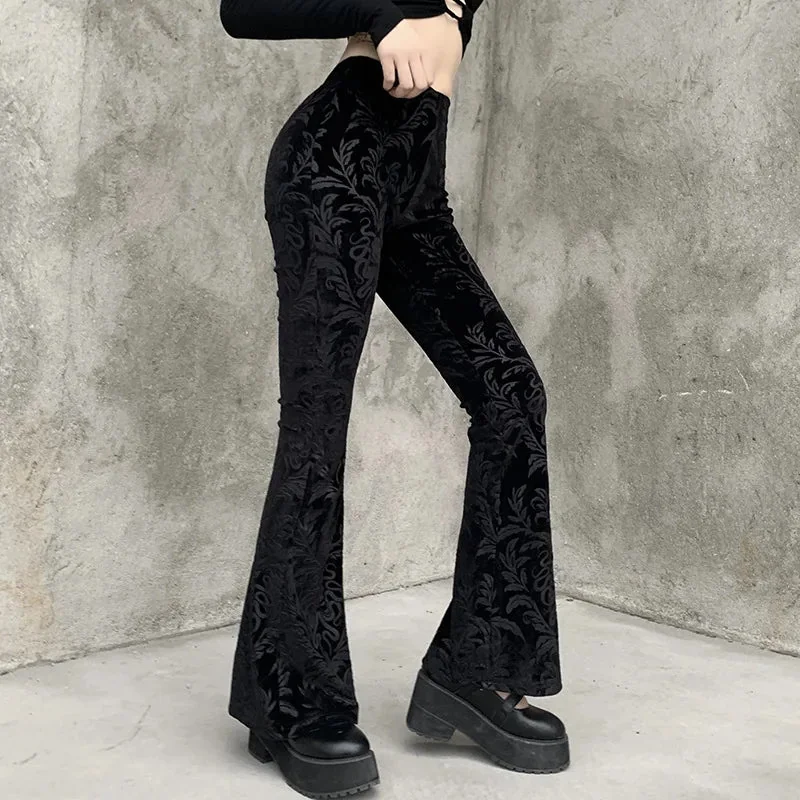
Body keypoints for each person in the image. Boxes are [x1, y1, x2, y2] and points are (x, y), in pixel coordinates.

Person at [218, 1, 569, 796]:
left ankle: (474, 669)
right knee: (316, 429)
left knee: (513, 395)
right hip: (332, 164)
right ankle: (292, 700)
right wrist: (381, 15)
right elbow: (241, 8)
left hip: (416, 189)